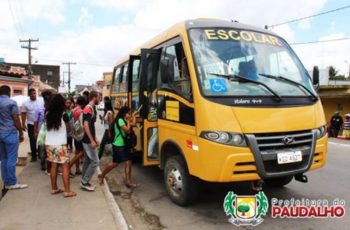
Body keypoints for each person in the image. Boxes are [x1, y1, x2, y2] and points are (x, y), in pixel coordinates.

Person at [98, 106, 138, 188]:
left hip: (120, 145)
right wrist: (128, 122)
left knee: (117, 163)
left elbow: (134, 123)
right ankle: (128, 181)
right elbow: (127, 130)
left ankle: (102, 175)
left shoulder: (122, 120)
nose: (129, 115)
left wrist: (133, 116)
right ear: (124, 113)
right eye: (128, 113)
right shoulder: (120, 120)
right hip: (119, 146)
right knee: (127, 162)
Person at [45, 94, 76, 198]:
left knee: (53, 165)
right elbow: (68, 128)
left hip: (50, 144)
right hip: (60, 144)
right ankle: (67, 191)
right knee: (65, 166)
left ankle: (54, 188)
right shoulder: (64, 115)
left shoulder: (47, 113)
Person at [0, 85, 28, 192]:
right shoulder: (11, 103)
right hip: (10, 133)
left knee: (4, 159)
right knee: (11, 158)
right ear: (9, 92)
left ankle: (6, 182)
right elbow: (16, 118)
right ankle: (11, 183)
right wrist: (21, 132)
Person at [80, 91, 100, 191]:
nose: (100, 99)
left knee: (88, 161)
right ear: (94, 97)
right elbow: (86, 125)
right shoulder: (88, 108)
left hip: (89, 139)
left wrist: (95, 138)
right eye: (99, 97)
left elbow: (91, 126)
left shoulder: (92, 108)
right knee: (95, 161)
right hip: (87, 140)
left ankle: (84, 180)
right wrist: (92, 140)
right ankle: (84, 182)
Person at [21, 88, 42, 162]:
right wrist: (23, 124)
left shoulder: (41, 101)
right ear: (29, 94)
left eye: (34, 93)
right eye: (32, 94)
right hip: (31, 124)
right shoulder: (25, 103)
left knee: (40, 140)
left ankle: (40, 154)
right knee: (32, 140)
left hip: (40, 124)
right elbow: (23, 114)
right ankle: (34, 156)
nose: (33, 95)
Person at [34, 90, 52, 172]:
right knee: (42, 147)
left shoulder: (52, 107)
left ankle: (47, 164)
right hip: (42, 130)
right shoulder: (39, 107)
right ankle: (43, 163)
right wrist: (36, 131)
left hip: (50, 131)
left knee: (46, 147)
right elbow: (35, 121)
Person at [69, 96, 85, 175]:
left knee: (77, 151)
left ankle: (77, 169)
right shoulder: (81, 111)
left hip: (74, 132)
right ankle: (69, 166)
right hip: (80, 133)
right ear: (83, 103)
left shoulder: (73, 110)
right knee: (81, 152)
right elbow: (82, 124)